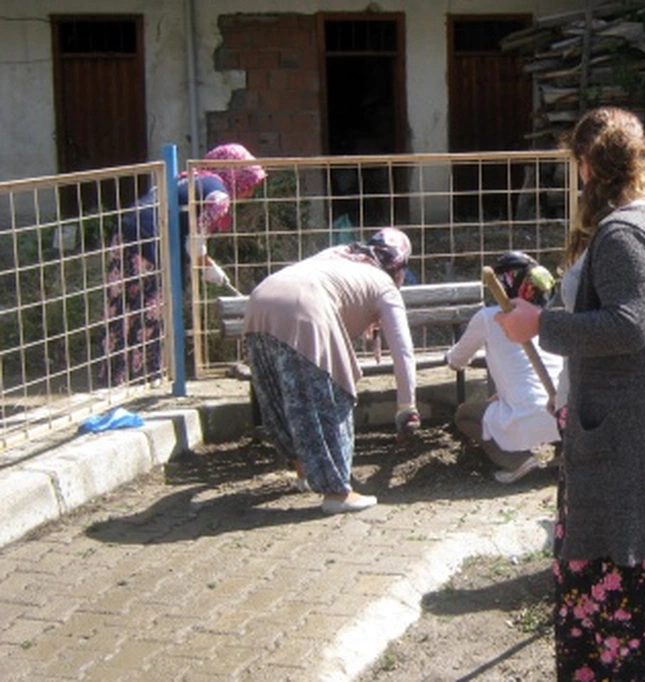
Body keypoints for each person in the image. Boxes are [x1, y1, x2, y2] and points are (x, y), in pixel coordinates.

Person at [496, 107, 645, 680]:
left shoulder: (622, 233)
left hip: (622, 444)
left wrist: (540, 325)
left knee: (611, 569)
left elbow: (628, 324)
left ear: (586, 165)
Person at [243, 228, 420, 514]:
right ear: (398, 265)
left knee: (281, 396)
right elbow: (403, 350)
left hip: (259, 303)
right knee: (328, 400)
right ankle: (338, 493)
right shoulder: (384, 284)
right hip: (306, 311)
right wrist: (406, 406)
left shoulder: (339, 254)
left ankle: (303, 471)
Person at [101, 143, 267, 384]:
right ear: (236, 176)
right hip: (150, 244)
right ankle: (145, 379)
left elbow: (191, 237)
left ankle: (116, 380)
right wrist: (207, 266)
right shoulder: (219, 197)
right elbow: (194, 245)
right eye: (249, 185)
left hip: (125, 233)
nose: (249, 193)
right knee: (153, 311)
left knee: (121, 306)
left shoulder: (192, 178)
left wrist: (204, 263)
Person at [445, 251, 563, 484]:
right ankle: (563, 455)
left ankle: (516, 460)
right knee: (534, 407)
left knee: (465, 415)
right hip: (563, 412)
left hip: (527, 415)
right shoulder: (547, 317)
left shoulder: (489, 318)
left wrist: (449, 356)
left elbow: (456, 361)